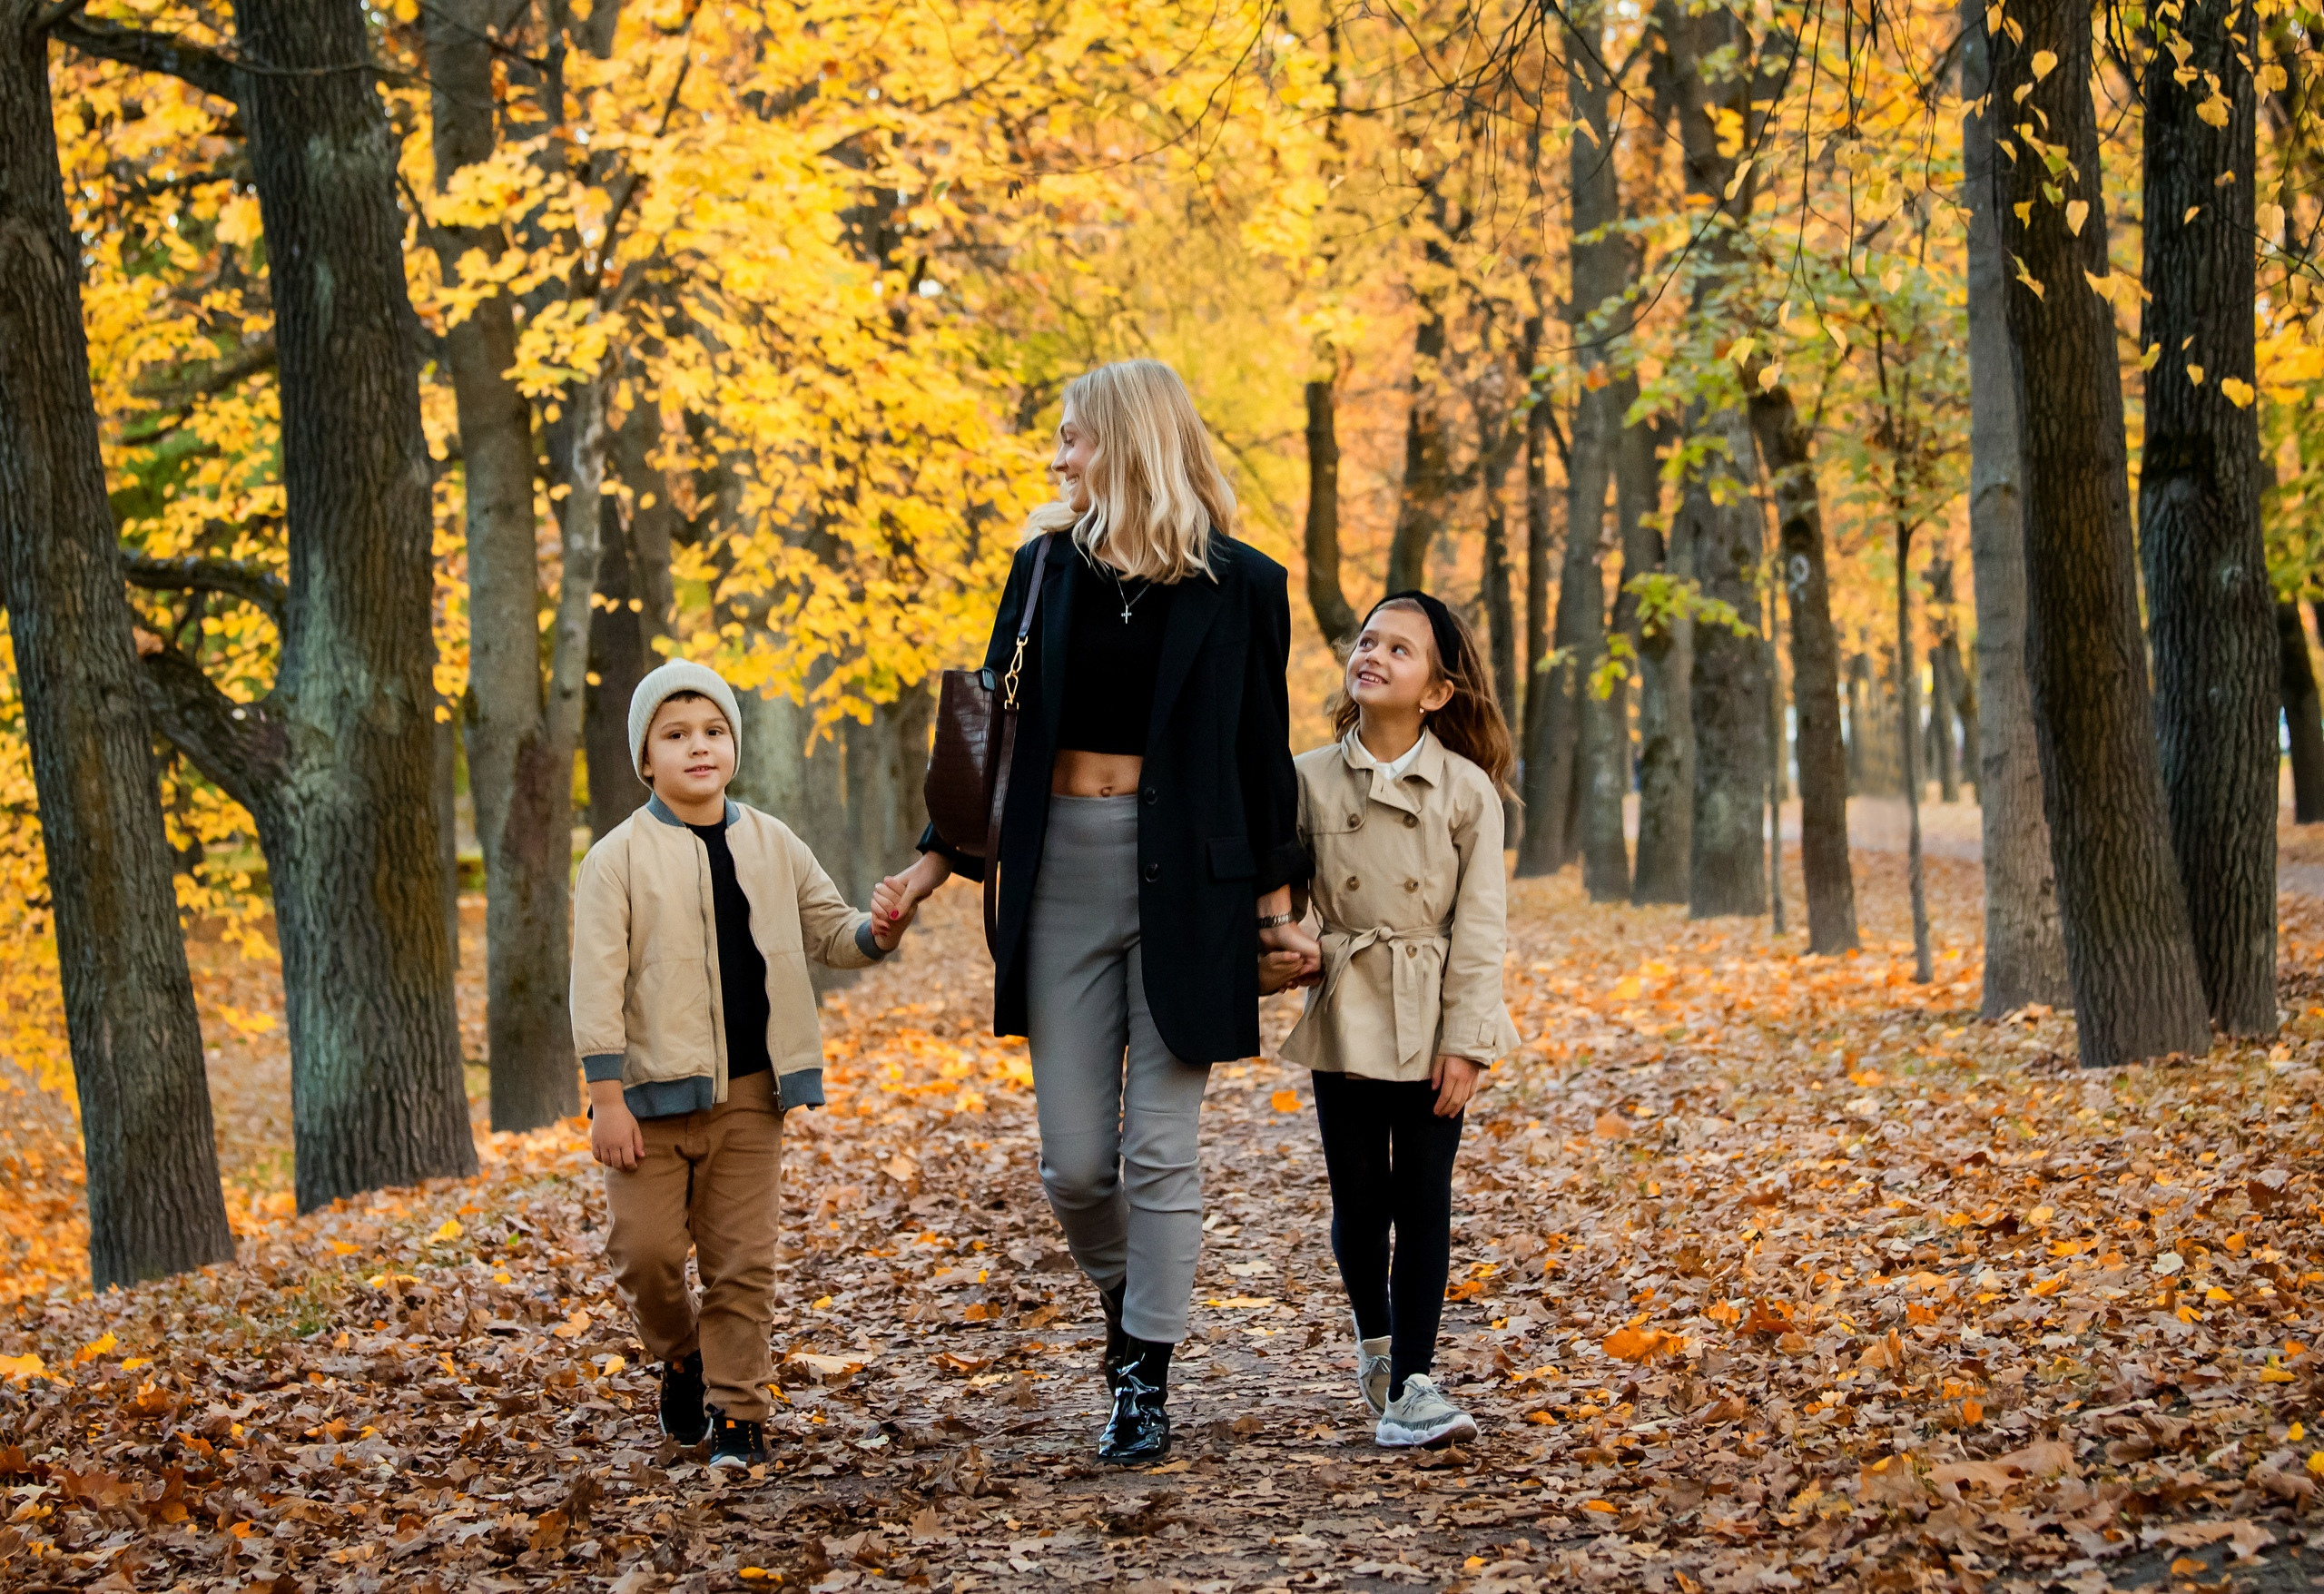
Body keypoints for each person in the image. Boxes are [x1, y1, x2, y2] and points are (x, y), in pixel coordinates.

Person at [873, 359, 1316, 1464]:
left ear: (1127, 439)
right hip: (1058, 873)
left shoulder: (1245, 585)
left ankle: (1142, 1377)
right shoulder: (1040, 571)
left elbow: (1261, 760)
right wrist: (927, 871)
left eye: (1073, 437)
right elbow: (989, 742)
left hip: (1191, 887)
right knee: (1073, 1165)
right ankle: (1129, 1301)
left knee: (1160, 1149)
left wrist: (1276, 911)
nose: (1058, 457)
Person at [572, 660, 920, 1470]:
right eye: (676, 734)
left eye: (714, 731)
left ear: (734, 746)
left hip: (752, 1099)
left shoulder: (772, 842)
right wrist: (606, 1096)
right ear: (646, 758)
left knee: (742, 1264)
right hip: (648, 1102)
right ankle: (682, 1356)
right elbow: (595, 986)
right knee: (646, 1258)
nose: (699, 747)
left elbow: (831, 931)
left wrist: (880, 931)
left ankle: (738, 1415)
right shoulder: (616, 859)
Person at [1280, 592, 1521, 1449]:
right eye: (1367, 641)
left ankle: (1416, 1380)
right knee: (1360, 1199)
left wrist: (1468, 1041)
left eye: (1400, 649)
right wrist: (1289, 946)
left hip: (1432, 1015)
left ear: (1437, 692)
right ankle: (1376, 1345)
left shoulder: (1468, 792)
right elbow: (1279, 900)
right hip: (1346, 1005)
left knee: (1423, 1196)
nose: (1373, 655)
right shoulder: (1305, 777)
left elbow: (1482, 928)